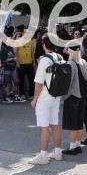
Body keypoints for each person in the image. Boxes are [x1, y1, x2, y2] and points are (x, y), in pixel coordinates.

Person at [29, 36, 65, 164]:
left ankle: (43, 156)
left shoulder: (45, 60)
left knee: (44, 127)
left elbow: (39, 83)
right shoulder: (60, 57)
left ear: (44, 45)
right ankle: (57, 152)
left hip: (44, 97)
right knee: (55, 124)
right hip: (56, 96)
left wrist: (35, 99)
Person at [62, 41, 87, 155]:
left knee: (72, 123)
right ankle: (78, 145)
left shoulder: (70, 64)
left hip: (72, 96)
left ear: (71, 50)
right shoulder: (84, 62)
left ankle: (72, 147)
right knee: (79, 122)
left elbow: (70, 82)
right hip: (82, 95)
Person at [0, 34, 21, 103]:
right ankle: (5, 97)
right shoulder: (3, 48)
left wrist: (16, 62)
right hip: (6, 67)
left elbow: (14, 56)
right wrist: (13, 59)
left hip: (12, 67)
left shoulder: (11, 48)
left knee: (16, 81)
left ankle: (16, 96)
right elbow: (3, 59)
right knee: (5, 82)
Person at [16, 27, 35, 99]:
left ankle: (31, 94)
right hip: (21, 63)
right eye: (25, 32)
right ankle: (22, 93)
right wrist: (17, 62)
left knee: (32, 78)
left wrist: (33, 62)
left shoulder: (30, 41)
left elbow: (32, 52)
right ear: (22, 33)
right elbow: (16, 53)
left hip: (29, 62)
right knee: (21, 79)